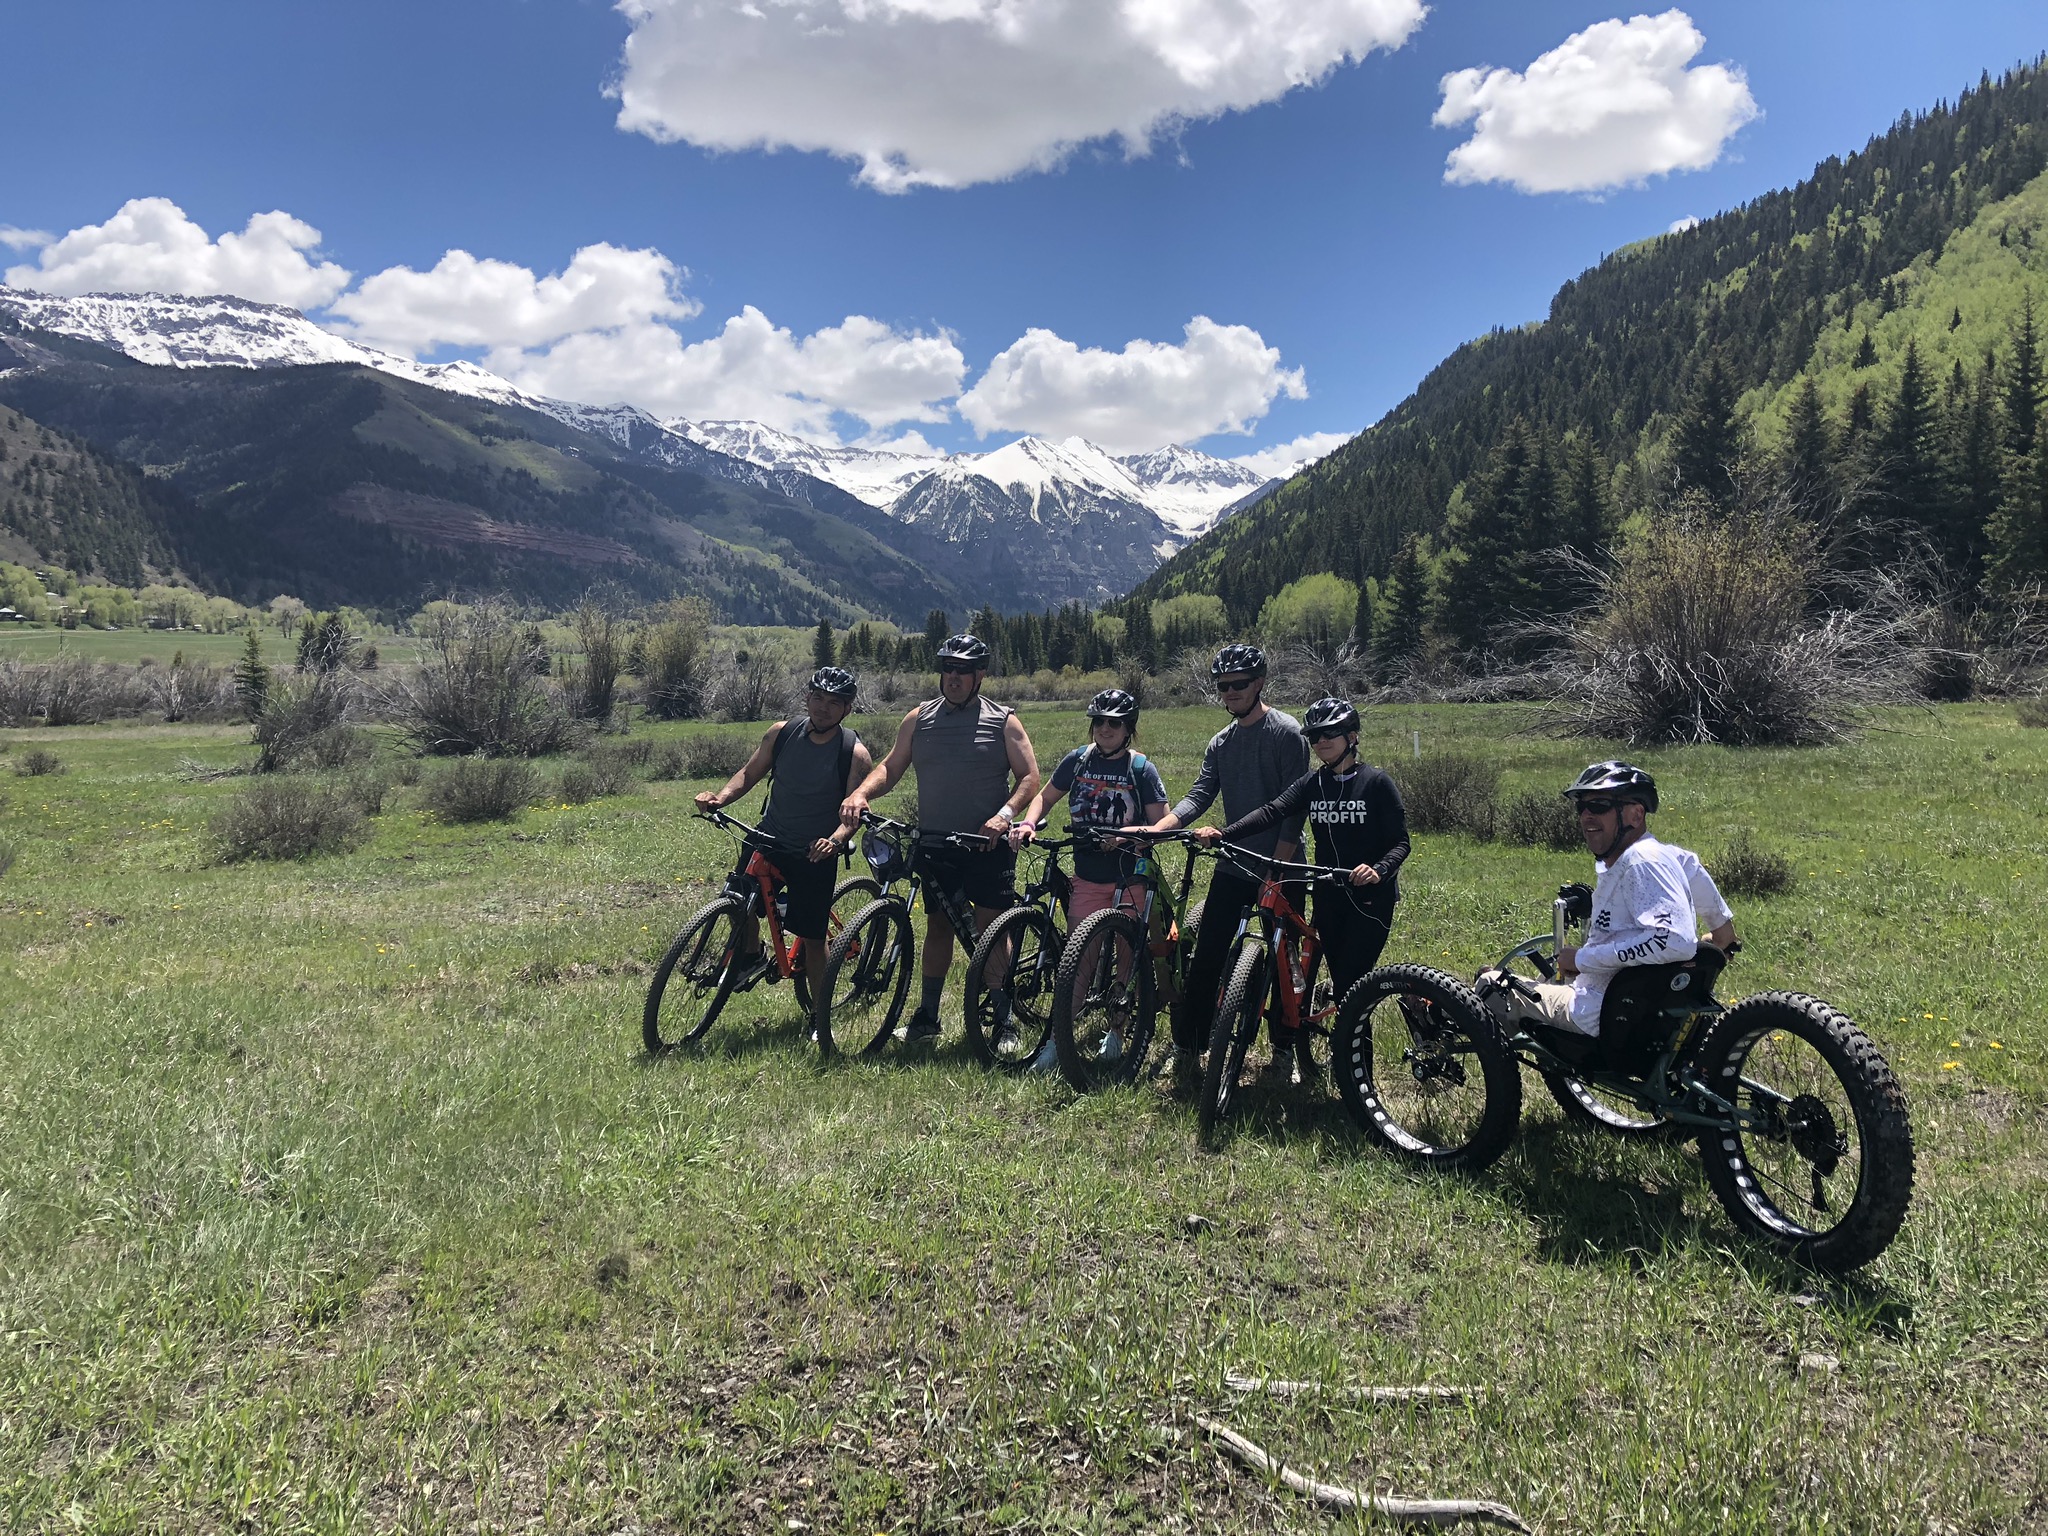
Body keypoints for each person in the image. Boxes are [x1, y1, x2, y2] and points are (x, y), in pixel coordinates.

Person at [1190, 697, 1407, 1087]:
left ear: (1352, 736)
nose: (1322, 741)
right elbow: (1272, 811)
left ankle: (1359, 1086)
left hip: (1368, 901)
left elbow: (1400, 843)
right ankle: (1303, 1043)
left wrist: (1378, 870)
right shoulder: (1315, 783)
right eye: (1315, 736)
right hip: (1328, 895)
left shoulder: (1375, 782)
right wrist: (1225, 833)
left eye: (1331, 733)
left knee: (1351, 988)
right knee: (1317, 970)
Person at [840, 633, 1042, 1047]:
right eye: (948, 669)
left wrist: (1005, 816)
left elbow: (1030, 777)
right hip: (936, 844)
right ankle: (928, 1016)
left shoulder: (1003, 719)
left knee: (992, 927)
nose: (953, 677)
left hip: (987, 845)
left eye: (963, 671)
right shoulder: (918, 719)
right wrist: (861, 793)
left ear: (979, 675)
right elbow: (892, 767)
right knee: (938, 927)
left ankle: (1003, 1020)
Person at [1135, 643, 1309, 1092]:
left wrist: (1280, 865)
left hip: (1282, 864)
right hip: (1235, 863)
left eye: (1239, 685)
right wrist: (1164, 826)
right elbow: (1200, 794)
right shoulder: (1221, 742)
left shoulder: (1287, 733)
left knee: (1285, 961)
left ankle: (1284, 1051)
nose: (1230, 693)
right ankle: (1190, 1046)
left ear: (1260, 684)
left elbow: (1294, 810)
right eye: (1223, 687)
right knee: (1208, 954)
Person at [1478, 761, 1707, 1050]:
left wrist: (1583, 960)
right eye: (1581, 807)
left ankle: (1466, 1048)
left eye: (1599, 805)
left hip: (1598, 1015)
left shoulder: (1641, 861)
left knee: (1491, 985)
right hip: (1632, 1010)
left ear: (1636, 814)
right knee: (1531, 982)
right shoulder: (1660, 856)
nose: (1587, 815)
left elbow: (1673, 940)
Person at [1009, 687, 1170, 1067]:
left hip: (1129, 876)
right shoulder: (1078, 760)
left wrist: (1129, 836)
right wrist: (1029, 821)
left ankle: (1117, 1030)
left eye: (1114, 723)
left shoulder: (1141, 769)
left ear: (1128, 728)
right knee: (1078, 959)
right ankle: (1057, 1039)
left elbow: (1162, 821)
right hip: (1087, 875)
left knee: (1128, 957)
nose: (1105, 729)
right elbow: (1045, 796)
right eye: (1099, 722)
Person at [695, 666, 873, 988]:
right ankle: (752, 955)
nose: (823, 707)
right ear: (807, 698)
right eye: (818, 697)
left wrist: (834, 840)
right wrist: (720, 798)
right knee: (737, 899)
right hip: (769, 836)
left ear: (847, 708)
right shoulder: (782, 733)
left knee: (813, 941)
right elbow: (750, 773)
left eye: (834, 702)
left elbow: (853, 811)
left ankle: (820, 1019)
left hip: (814, 852)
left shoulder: (854, 754)